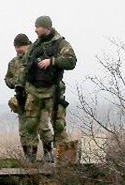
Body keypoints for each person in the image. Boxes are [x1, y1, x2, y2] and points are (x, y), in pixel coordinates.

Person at [21, 16, 77, 164]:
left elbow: (71, 61)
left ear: (47, 27)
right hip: (34, 91)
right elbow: (25, 66)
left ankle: (63, 162)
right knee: (30, 125)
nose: (35, 29)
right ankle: (31, 159)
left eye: (38, 27)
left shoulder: (60, 43)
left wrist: (52, 61)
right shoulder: (34, 46)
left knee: (58, 126)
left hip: (53, 91)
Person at [5, 33, 53, 162]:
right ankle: (29, 157)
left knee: (43, 127)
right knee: (25, 131)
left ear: (28, 45)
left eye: (21, 46)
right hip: (22, 100)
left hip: (38, 98)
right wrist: (14, 82)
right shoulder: (13, 63)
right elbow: (7, 79)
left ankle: (48, 155)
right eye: (16, 46)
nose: (18, 49)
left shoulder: (37, 57)